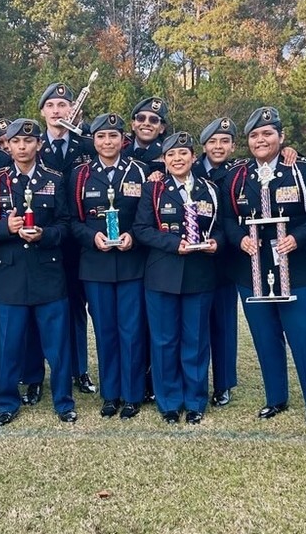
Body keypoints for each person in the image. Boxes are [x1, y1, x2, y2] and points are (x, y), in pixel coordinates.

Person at [221, 107, 306, 423]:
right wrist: (240, 239)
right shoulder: (237, 175)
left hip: (298, 266)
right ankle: (276, 397)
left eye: (267, 133)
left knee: (304, 332)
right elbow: (227, 217)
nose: (260, 139)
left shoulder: (302, 170)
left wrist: (298, 238)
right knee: (265, 334)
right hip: (251, 267)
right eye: (254, 135)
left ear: (281, 137)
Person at [0, 118, 77, 426]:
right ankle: (7, 402)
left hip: (48, 273)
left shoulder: (54, 179)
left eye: (28, 141)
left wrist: (44, 234)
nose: (22, 146)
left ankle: (63, 401)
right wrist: (5, 227)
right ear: (7, 145)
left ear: (39, 145)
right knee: (9, 345)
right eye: (16, 141)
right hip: (11, 274)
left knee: (58, 347)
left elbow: (66, 225)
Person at [133, 131, 223, 424]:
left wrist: (215, 243)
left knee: (195, 341)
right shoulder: (154, 190)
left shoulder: (209, 189)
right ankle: (169, 401)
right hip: (162, 275)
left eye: (183, 153)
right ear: (164, 160)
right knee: (164, 341)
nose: (177, 158)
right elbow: (142, 230)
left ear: (194, 158)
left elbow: (220, 227)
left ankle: (195, 400)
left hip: (199, 274)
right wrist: (174, 245)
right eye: (171, 154)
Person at [68, 113, 149, 419]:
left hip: (131, 264)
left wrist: (134, 237)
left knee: (131, 331)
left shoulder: (139, 171)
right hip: (96, 265)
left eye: (113, 136)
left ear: (122, 139)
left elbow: (149, 216)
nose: (107, 142)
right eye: (101, 136)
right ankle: (110, 394)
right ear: (94, 140)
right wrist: (92, 237)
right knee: (105, 332)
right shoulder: (80, 175)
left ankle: (132, 394)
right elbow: (74, 221)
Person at [37, 82, 96, 396]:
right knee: (41, 309)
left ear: (73, 110)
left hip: (80, 242)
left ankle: (80, 370)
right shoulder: (34, 147)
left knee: (77, 308)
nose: (57, 111)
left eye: (63, 105)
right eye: (51, 105)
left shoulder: (86, 145)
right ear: (43, 111)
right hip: (44, 240)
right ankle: (37, 374)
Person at [193, 117, 240, 406]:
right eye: (213, 141)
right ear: (204, 145)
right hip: (193, 260)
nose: (218, 146)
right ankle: (196, 380)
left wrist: (291, 152)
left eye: (224, 141)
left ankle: (223, 383)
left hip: (224, 261)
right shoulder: (189, 167)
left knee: (223, 325)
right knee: (195, 328)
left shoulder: (239, 173)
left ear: (233, 146)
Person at [125, 97, 168, 178]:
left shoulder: (168, 155)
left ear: (162, 128)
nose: (146, 123)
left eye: (154, 120)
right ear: (133, 125)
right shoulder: (121, 149)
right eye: (141, 118)